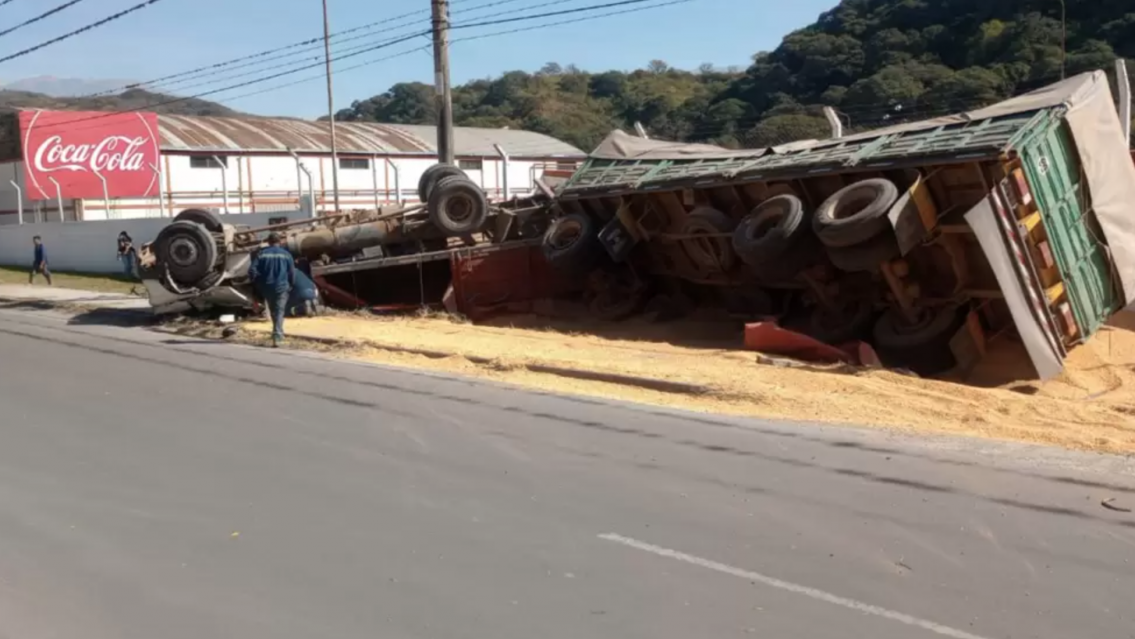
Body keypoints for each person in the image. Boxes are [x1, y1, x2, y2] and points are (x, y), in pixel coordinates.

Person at [248, 232, 295, 347]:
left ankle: (277, 332)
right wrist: (291, 284)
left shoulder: (262, 254)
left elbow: (252, 270)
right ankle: (277, 335)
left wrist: (257, 281)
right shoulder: (286, 255)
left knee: (274, 310)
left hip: (266, 287)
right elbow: (291, 272)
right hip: (281, 286)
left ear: (268, 242)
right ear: (280, 242)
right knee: (279, 310)